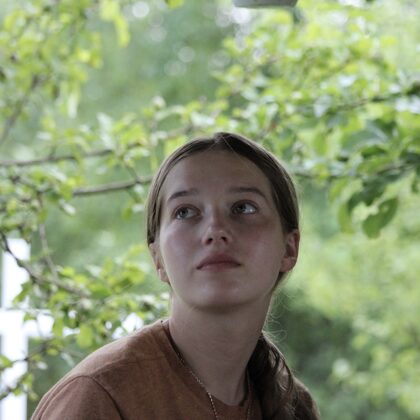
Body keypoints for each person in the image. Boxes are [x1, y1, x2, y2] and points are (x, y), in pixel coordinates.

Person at [32, 132, 320, 419]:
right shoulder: (100, 395)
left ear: (289, 247)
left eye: (243, 208)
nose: (215, 231)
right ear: (157, 256)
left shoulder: (293, 407)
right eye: (185, 212)